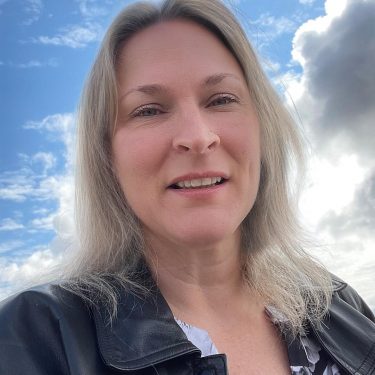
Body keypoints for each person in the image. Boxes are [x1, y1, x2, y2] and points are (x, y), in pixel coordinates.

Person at [0, 0, 374, 374]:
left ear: (263, 130)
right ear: (107, 155)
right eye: (149, 110)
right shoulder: (38, 337)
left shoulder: (341, 307)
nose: (197, 137)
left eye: (221, 100)